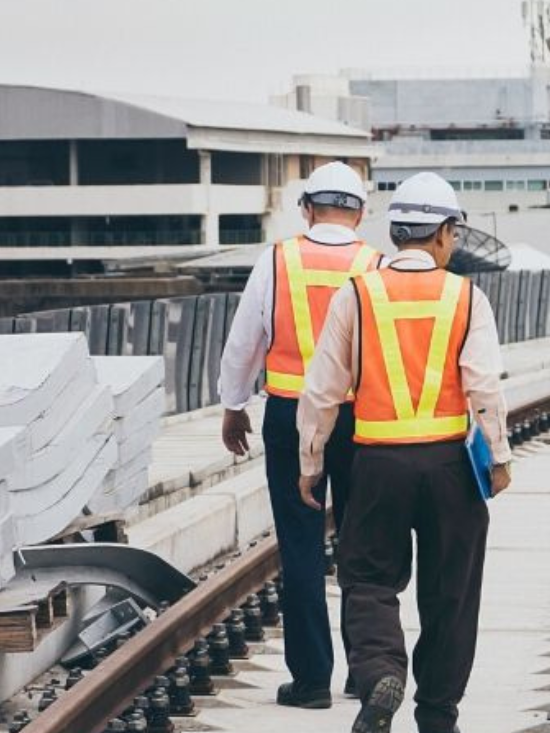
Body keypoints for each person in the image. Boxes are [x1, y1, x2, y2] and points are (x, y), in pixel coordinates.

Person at [294, 172, 513, 733]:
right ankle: (437, 714)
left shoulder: (357, 294)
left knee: (366, 580)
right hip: (449, 469)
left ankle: (379, 674)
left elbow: (321, 389)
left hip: (376, 465)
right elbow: (484, 384)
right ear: (442, 232)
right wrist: (500, 453)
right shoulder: (467, 296)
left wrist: (311, 461)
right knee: (452, 594)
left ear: (394, 233)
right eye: (453, 234)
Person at [215, 160, 380, 710]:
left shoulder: (278, 260)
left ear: (307, 209)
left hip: (290, 415)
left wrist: (234, 406)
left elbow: (245, 342)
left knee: (301, 545)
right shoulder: (376, 266)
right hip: (360, 420)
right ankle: (365, 670)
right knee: (362, 544)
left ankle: (311, 682)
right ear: (360, 212)